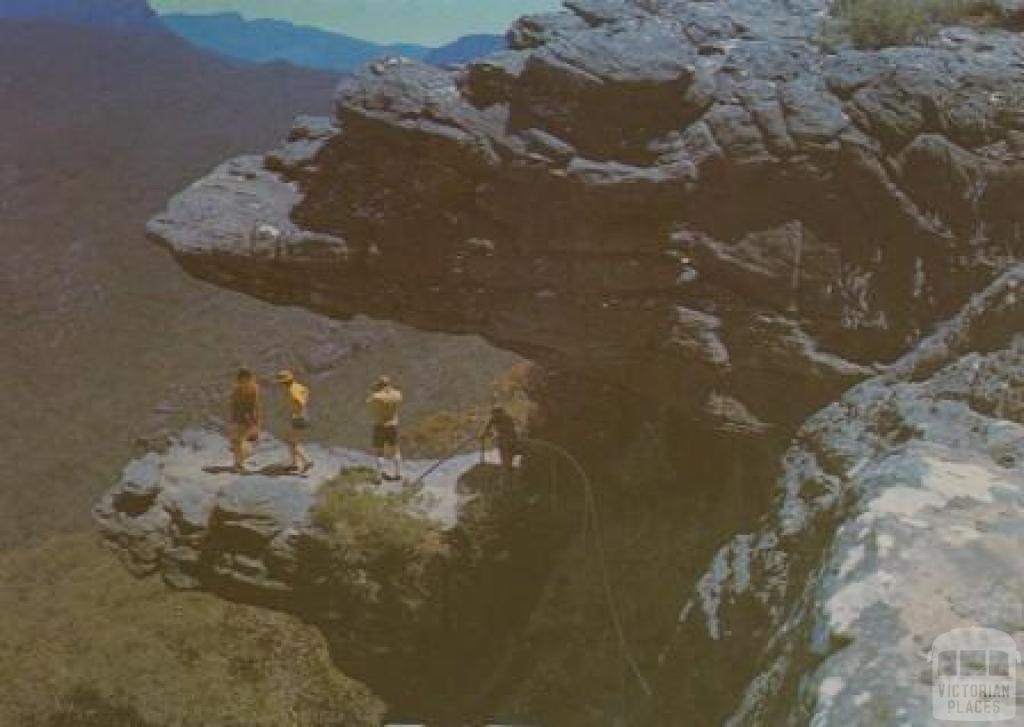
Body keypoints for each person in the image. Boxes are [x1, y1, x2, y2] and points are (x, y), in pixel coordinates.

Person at [366, 374, 403, 482]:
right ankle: (398, 473)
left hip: (380, 425)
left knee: (379, 452)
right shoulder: (397, 394)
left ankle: (378, 477)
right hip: (393, 424)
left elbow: (368, 402)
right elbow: (399, 398)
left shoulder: (377, 397)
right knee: (395, 450)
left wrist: (373, 391)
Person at [275, 369, 313, 473]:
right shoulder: (298, 386)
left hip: (298, 418)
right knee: (292, 439)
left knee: (291, 441)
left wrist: (296, 411)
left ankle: (306, 461)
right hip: (303, 415)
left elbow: (299, 402)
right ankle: (295, 463)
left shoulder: (291, 391)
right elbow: (306, 390)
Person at [228, 367, 262, 473]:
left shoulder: (254, 389)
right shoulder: (236, 390)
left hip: (249, 418)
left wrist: (256, 420)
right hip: (238, 417)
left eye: (246, 380)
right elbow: (233, 405)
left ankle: (239, 462)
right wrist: (233, 419)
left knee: (241, 441)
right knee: (236, 441)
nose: (244, 383)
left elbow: (255, 405)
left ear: (250, 379)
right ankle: (238, 463)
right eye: (242, 381)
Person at [481, 405, 522, 476]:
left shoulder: (503, 418)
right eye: (493, 414)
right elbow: (487, 429)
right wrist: (485, 434)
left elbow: (509, 430)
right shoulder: (499, 418)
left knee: (507, 457)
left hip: (508, 441)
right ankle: (507, 471)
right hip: (507, 440)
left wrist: (487, 435)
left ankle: (507, 472)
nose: (494, 415)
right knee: (506, 457)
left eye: (495, 413)